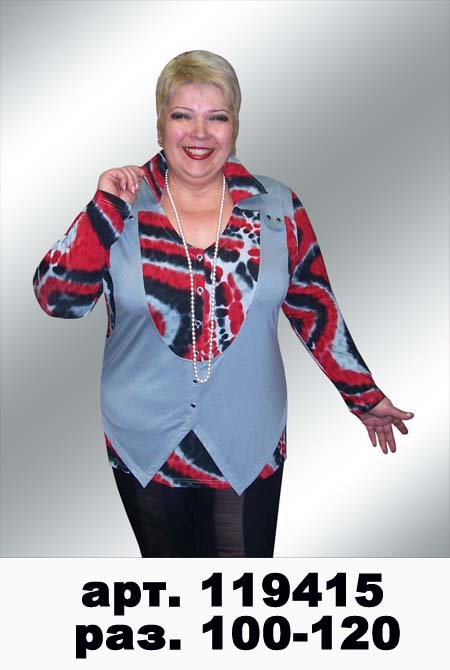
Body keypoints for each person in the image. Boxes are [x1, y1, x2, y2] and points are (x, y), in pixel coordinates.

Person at [32, 49, 414, 558]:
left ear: (235, 126)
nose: (200, 133)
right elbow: (57, 299)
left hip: (249, 436)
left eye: (217, 117)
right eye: (182, 115)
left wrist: (363, 396)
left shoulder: (278, 206)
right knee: (168, 590)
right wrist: (102, 210)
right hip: (144, 440)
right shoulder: (122, 203)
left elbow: (314, 308)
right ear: (160, 125)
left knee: (241, 592)